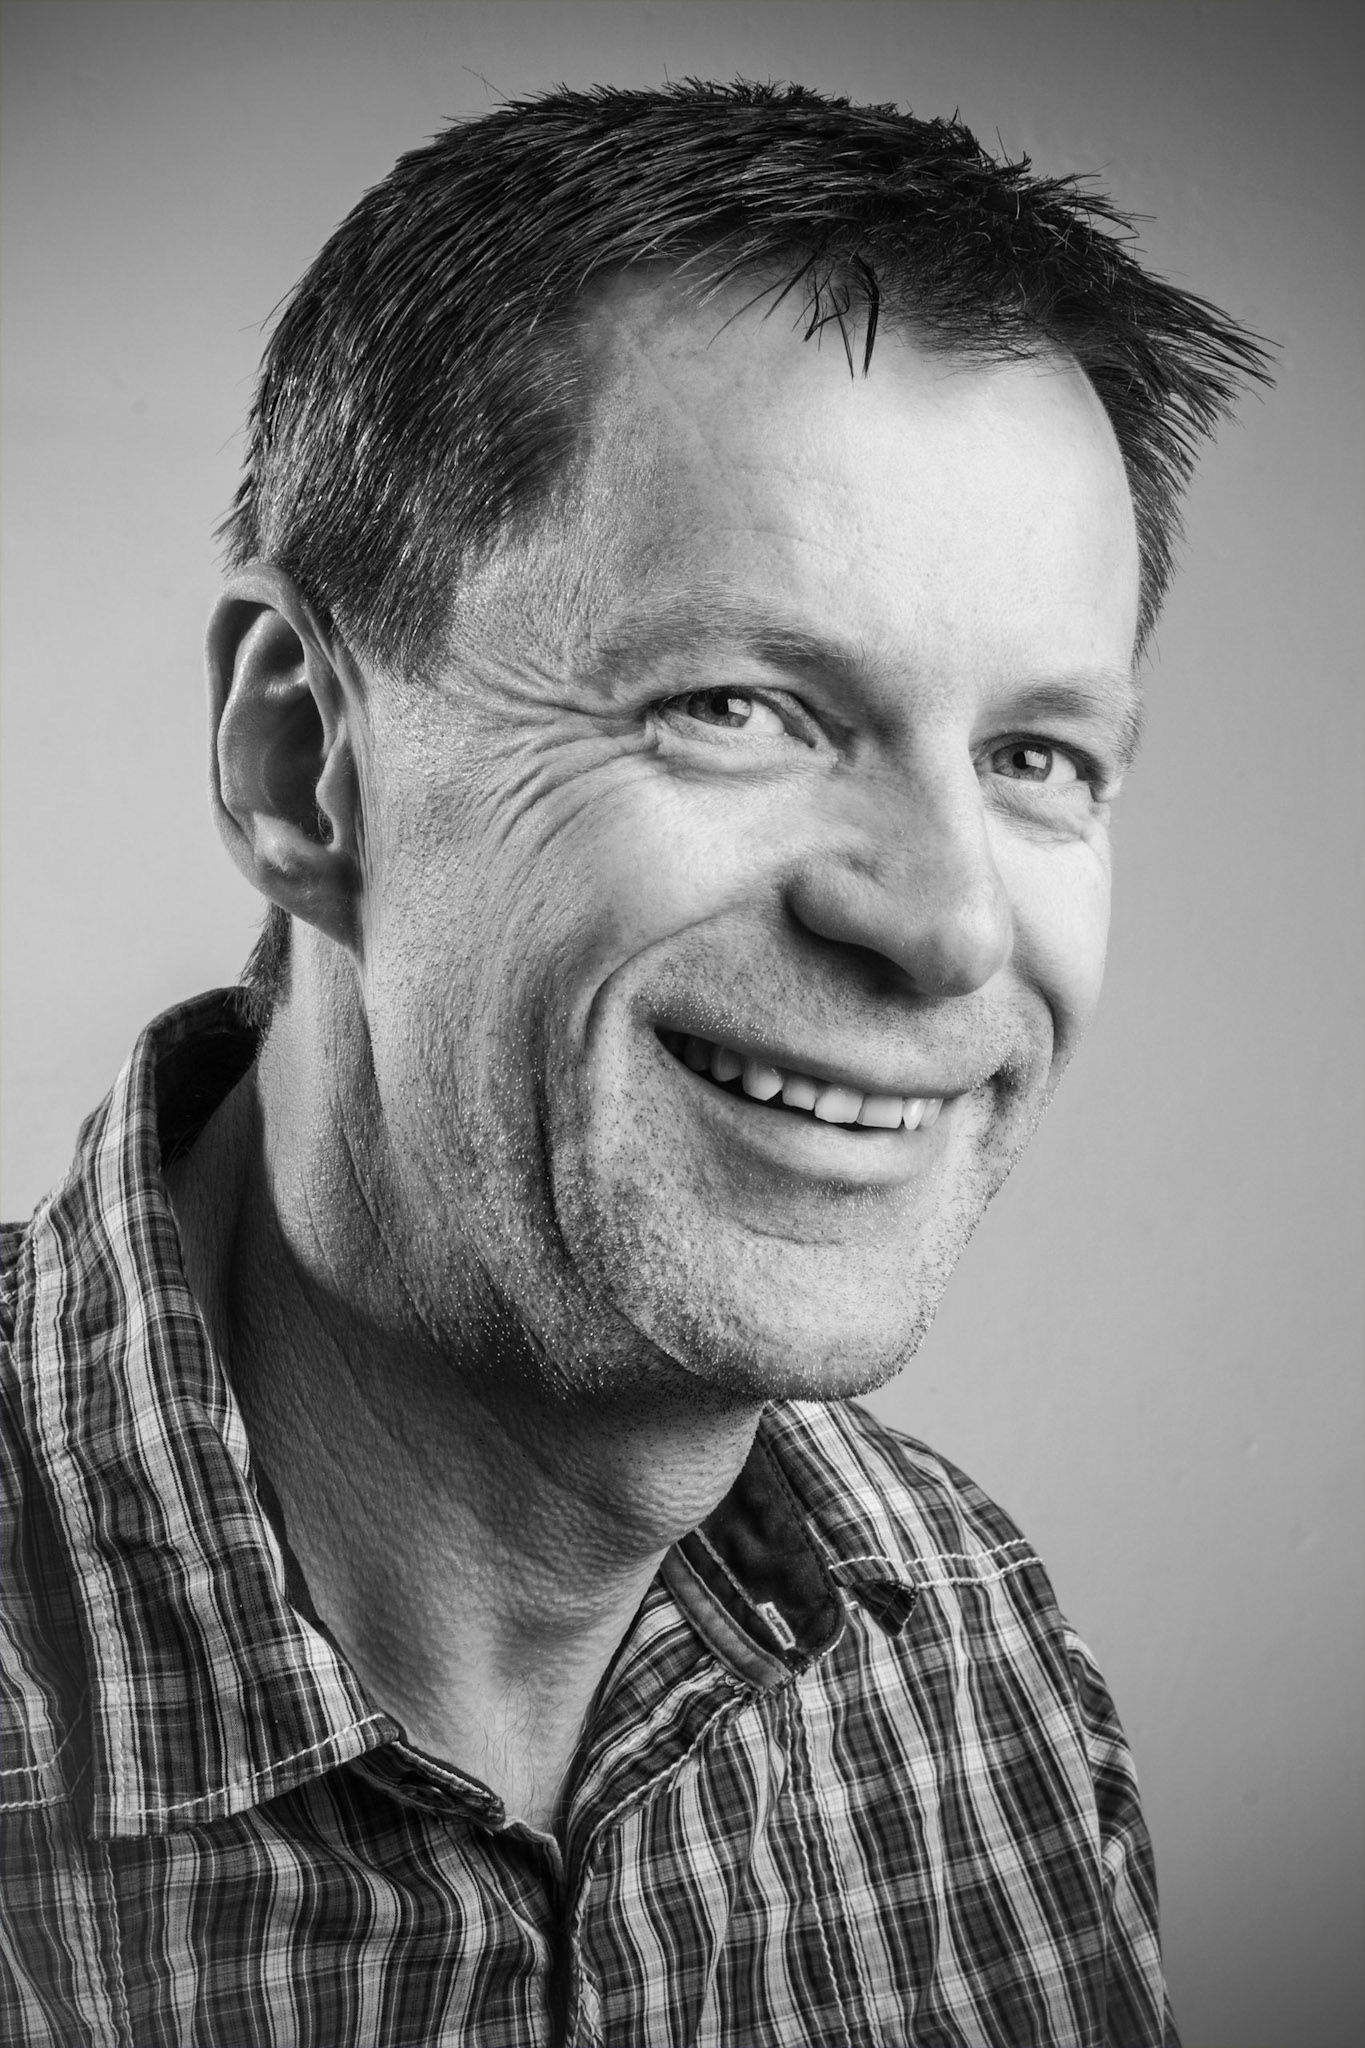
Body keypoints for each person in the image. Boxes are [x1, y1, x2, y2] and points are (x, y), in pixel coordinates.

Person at [1, 81, 1268, 2047]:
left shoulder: (981, 1663)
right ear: (299, 761)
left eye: (1036, 756)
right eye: (739, 704)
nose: (947, 926)